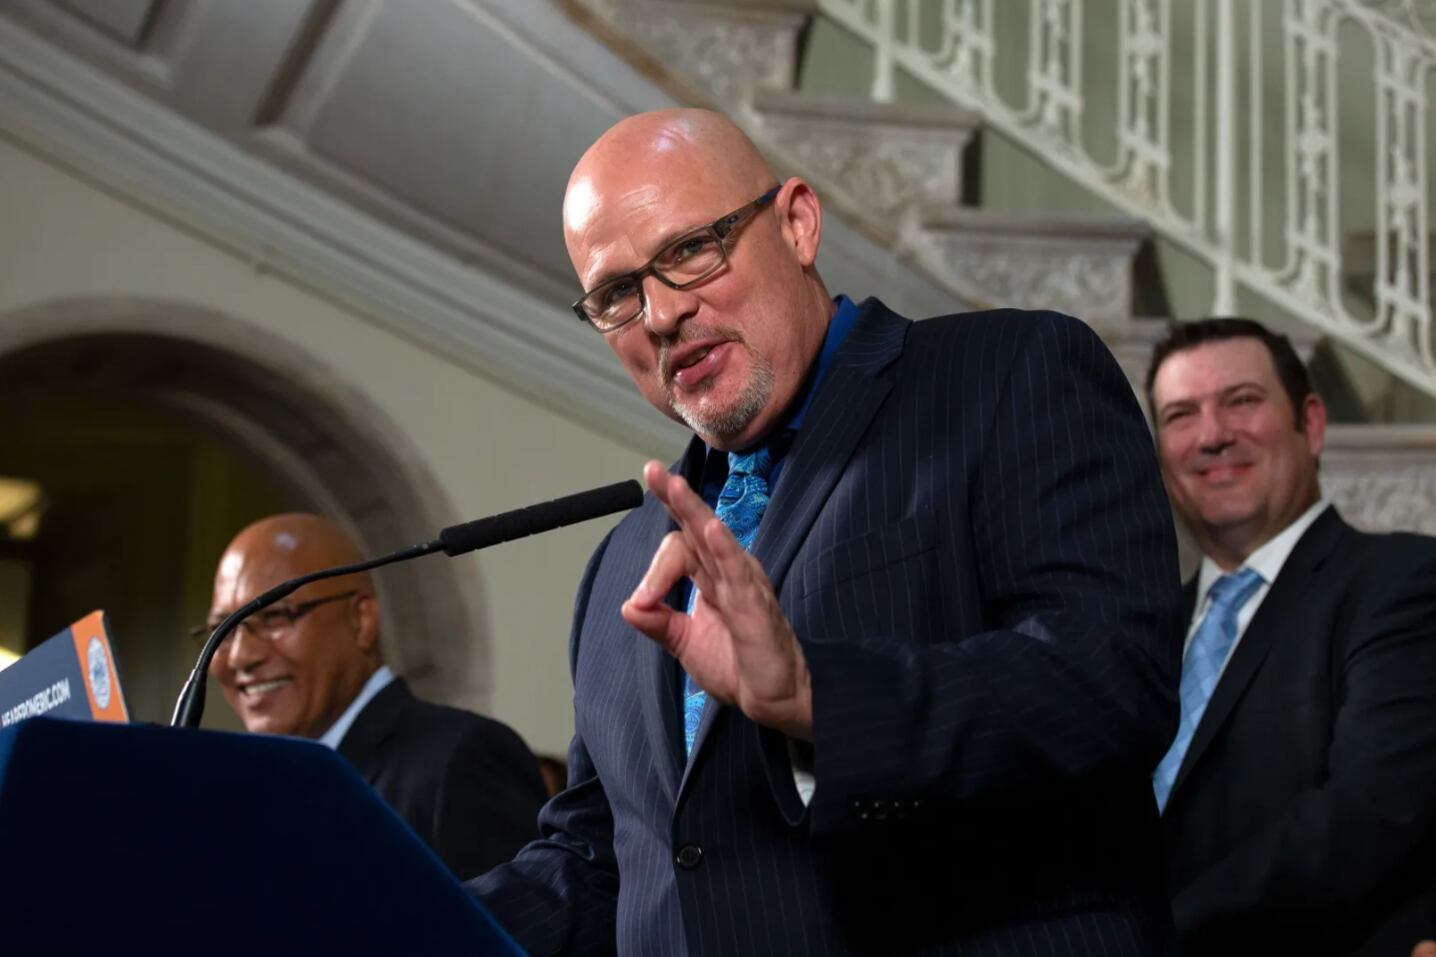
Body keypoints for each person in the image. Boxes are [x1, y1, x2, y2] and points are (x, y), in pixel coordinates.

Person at [468, 108, 1184, 955]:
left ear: (798, 224)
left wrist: (815, 695)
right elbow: (602, 859)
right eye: (617, 295)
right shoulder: (623, 563)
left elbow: (1109, 684)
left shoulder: (1008, 374)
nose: (658, 313)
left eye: (689, 249)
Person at [1145, 318, 1436, 955]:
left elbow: (1373, 811)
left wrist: (1145, 935)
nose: (1213, 435)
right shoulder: (1140, 633)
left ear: (1313, 423)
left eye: (1241, 401)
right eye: (1180, 415)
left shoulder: (1403, 583)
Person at [206, 513, 547, 879]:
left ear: (362, 620)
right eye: (222, 629)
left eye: (276, 616)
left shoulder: (460, 762)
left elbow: (515, 915)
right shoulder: (242, 795)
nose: (240, 656)